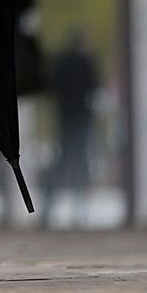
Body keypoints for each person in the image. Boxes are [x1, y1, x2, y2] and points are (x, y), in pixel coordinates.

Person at [46, 30, 99, 225]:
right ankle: (80, 209)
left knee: (62, 160)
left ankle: (48, 208)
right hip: (81, 118)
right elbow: (93, 88)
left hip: (64, 117)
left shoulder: (61, 63)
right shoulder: (86, 62)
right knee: (81, 161)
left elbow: (53, 88)